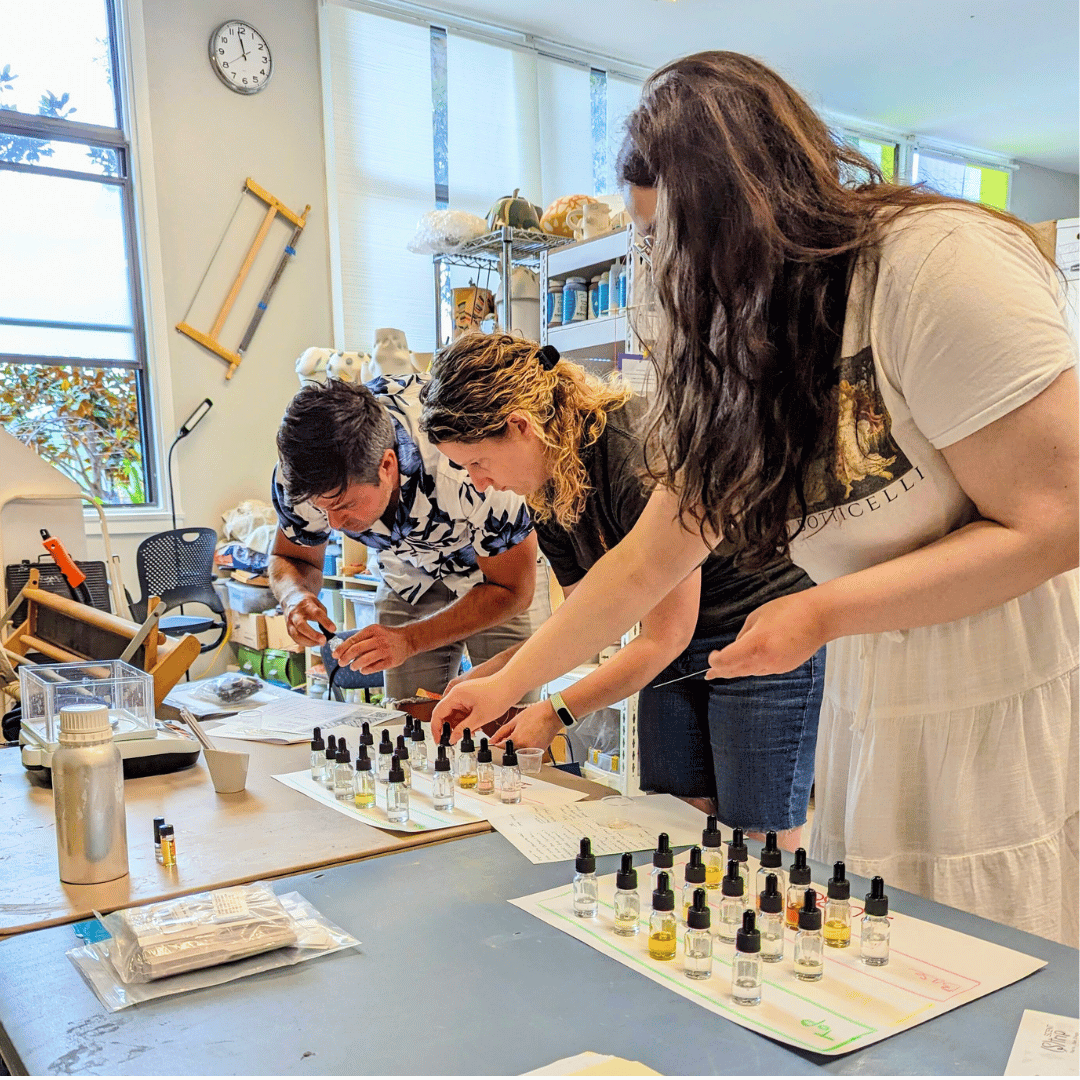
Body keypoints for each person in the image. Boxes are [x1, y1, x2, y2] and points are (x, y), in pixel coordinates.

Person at [433, 52, 1079, 945]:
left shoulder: (935, 265)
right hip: (875, 683)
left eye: (673, 237)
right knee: (889, 941)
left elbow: (1058, 521)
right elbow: (645, 565)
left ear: (747, 206)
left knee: (1003, 938)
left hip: (1008, 679)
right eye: (648, 241)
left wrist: (821, 614)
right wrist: (511, 678)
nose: (663, 268)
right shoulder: (743, 339)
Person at [419, 333, 822, 845]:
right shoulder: (550, 489)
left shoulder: (635, 455)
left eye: (478, 462)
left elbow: (663, 636)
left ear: (521, 427)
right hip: (675, 641)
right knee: (675, 822)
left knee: (757, 834)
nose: (478, 482)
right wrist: (490, 676)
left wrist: (555, 711)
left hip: (758, 630)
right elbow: (584, 622)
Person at [269, 372, 548, 701]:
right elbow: (292, 557)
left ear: (386, 466)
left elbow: (513, 590)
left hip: (495, 574)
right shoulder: (302, 480)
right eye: (323, 508)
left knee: (507, 720)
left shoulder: (465, 462)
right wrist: (293, 597)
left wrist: (412, 639)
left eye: (345, 506)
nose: (333, 522)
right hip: (408, 574)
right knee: (407, 720)